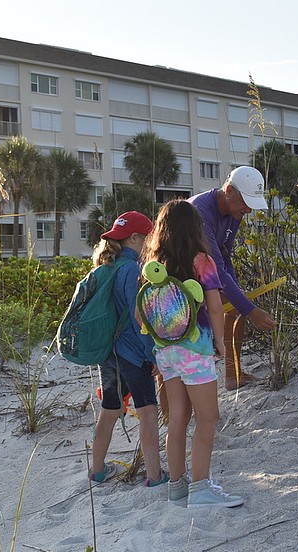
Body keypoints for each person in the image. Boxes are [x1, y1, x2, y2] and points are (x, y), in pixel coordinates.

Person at [141, 199, 243, 507]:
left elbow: (139, 314)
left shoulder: (155, 266)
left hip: (165, 352)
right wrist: (220, 343)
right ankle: (200, 487)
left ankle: (177, 486)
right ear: (195, 228)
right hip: (194, 350)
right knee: (208, 418)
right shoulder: (203, 261)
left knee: (178, 418)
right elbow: (214, 306)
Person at [87, 211, 168, 487]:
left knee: (110, 409)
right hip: (132, 352)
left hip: (108, 353)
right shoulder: (132, 269)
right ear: (135, 238)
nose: (150, 242)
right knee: (147, 411)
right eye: (148, 237)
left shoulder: (106, 266)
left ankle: (97, 471)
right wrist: (152, 353)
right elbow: (138, 318)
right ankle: (155, 476)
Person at [188, 166, 276, 391]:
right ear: (228, 190)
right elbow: (215, 267)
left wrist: (239, 297)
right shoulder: (199, 212)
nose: (248, 210)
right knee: (190, 328)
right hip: (181, 276)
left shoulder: (235, 213)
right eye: (245, 202)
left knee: (235, 308)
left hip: (204, 270)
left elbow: (225, 252)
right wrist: (252, 310)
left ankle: (233, 374)